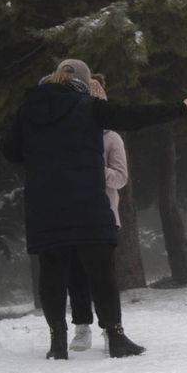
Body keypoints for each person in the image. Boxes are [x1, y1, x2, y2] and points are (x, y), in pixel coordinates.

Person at [2, 58, 187, 360]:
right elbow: (133, 116)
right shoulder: (88, 106)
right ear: (83, 80)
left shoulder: (28, 110)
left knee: (52, 271)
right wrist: (179, 108)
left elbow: (11, 151)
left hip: (45, 205)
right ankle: (116, 338)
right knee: (101, 271)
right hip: (86, 202)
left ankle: (57, 342)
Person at [65, 75, 131, 352]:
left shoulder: (111, 138)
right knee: (75, 274)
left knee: (102, 276)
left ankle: (110, 329)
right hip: (71, 215)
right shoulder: (66, 138)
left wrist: (94, 169)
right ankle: (81, 327)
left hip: (104, 218)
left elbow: (120, 178)